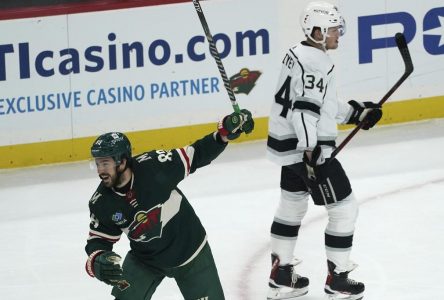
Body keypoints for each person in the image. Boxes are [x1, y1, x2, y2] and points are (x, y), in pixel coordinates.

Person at [266, 2, 382, 300]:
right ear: (316, 31)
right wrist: (312, 150)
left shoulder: (298, 53)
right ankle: (338, 281)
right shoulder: (317, 62)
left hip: (287, 147)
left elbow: (320, 104)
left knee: (291, 205)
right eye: (332, 29)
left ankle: (280, 276)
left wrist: (356, 113)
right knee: (344, 209)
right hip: (307, 149)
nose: (337, 34)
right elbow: (304, 111)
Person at [84, 109, 254, 300]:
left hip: (190, 251)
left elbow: (196, 154)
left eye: (105, 163)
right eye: (97, 164)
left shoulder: (155, 166)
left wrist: (223, 135)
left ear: (122, 161)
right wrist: (97, 257)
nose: (100, 170)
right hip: (146, 259)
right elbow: (99, 240)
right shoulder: (102, 201)